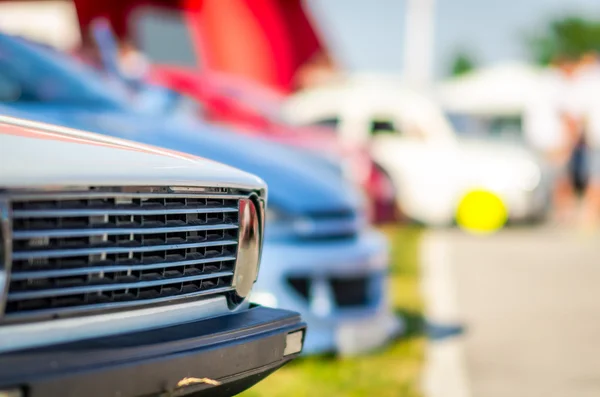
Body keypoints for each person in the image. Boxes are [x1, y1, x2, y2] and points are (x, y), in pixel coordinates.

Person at [523, 54, 583, 225]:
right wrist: (571, 140)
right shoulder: (557, 83)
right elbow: (566, 113)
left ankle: (552, 211)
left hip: (537, 139)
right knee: (560, 178)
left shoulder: (540, 80)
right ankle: (564, 214)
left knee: (545, 177)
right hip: (554, 140)